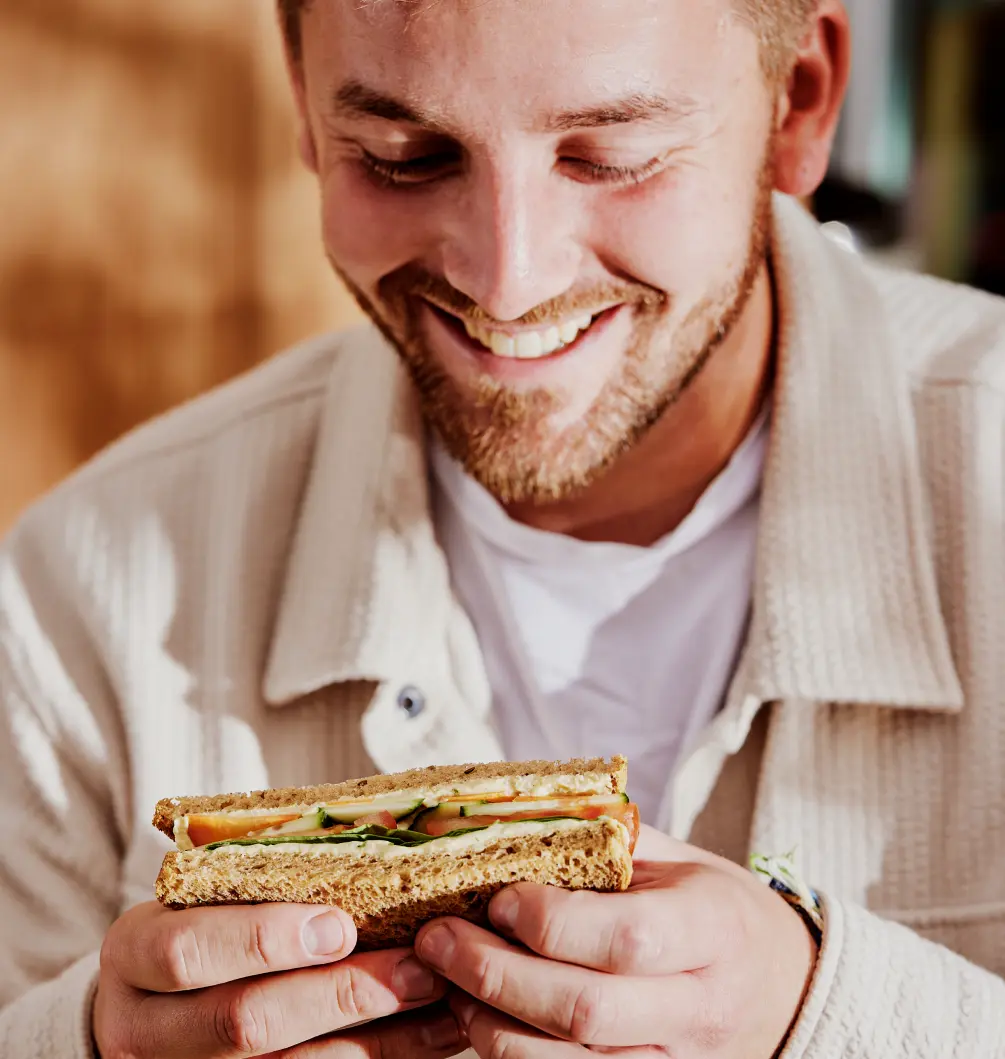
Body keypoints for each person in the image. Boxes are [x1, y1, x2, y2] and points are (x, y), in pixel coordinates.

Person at [1, 0, 1004, 1056]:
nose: (507, 281)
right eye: (401, 155)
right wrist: (90, 1041)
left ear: (799, 100)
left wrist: (826, 1013)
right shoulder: (79, 589)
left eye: (613, 156)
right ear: (303, 103)